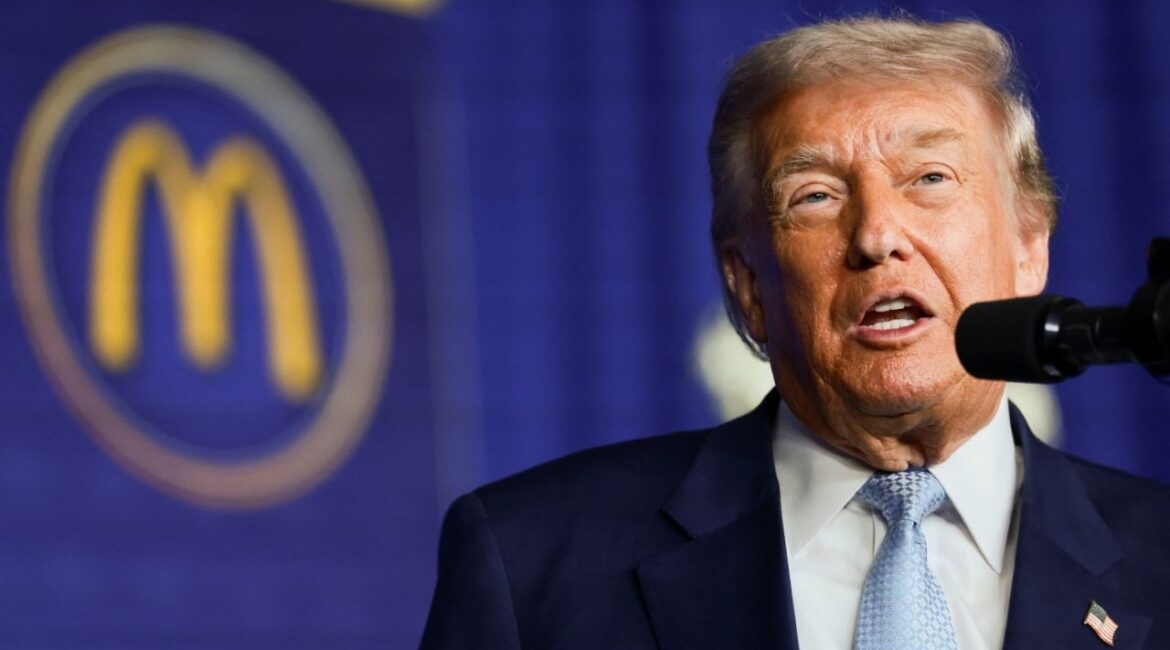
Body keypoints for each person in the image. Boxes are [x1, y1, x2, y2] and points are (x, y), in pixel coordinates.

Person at [420, 16, 1170, 650]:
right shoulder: (533, 560)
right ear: (747, 284)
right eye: (814, 195)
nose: (877, 235)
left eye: (930, 178)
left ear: (1029, 244)